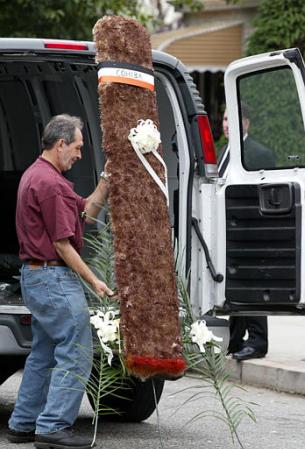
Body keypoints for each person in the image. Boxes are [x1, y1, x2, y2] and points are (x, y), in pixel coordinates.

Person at [7, 114, 113, 449]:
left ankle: (23, 423)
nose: (80, 154)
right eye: (78, 147)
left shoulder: (39, 176)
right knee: (77, 350)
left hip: (37, 276)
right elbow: (62, 244)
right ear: (61, 143)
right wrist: (94, 280)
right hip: (53, 276)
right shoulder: (50, 185)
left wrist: (106, 182)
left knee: (44, 352)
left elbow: (85, 213)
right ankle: (53, 427)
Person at [218, 105, 271, 361]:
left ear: (246, 123)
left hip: (251, 228)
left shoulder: (260, 153)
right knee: (236, 283)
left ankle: (258, 341)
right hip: (228, 227)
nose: (227, 124)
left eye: (233, 119)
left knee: (251, 282)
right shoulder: (223, 152)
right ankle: (236, 339)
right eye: (225, 119)